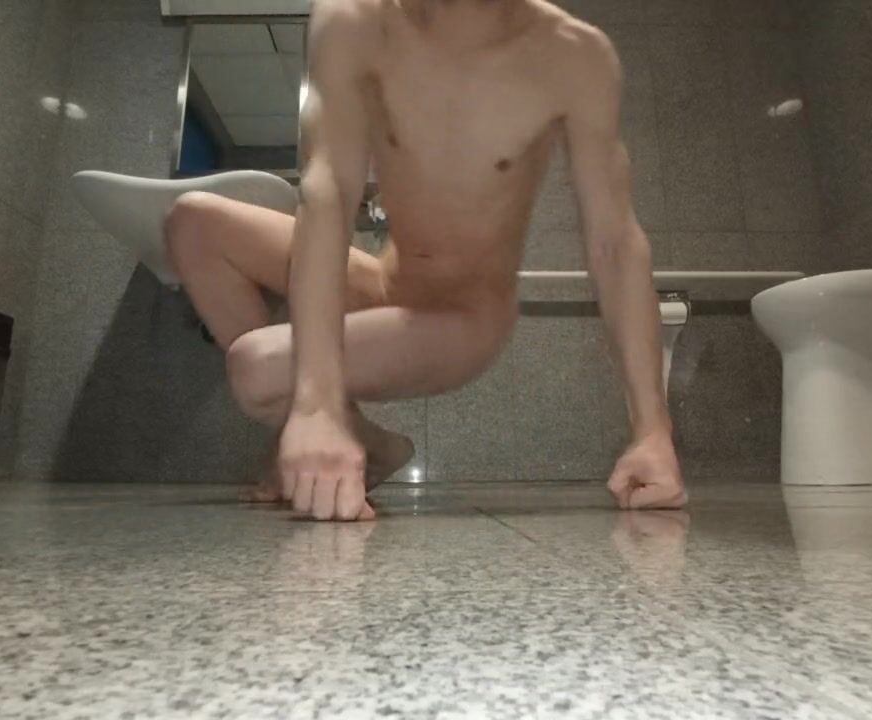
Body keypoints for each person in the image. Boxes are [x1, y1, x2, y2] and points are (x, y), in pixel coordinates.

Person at [165, 0, 686, 521]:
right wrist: (314, 406)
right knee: (192, 222)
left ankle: (349, 436)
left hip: (466, 316)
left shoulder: (574, 57)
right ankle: (357, 435)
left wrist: (653, 432)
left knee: (255, 367)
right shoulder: (355, 21)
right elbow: (328, 193)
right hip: (386, 280)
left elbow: (615, 243)